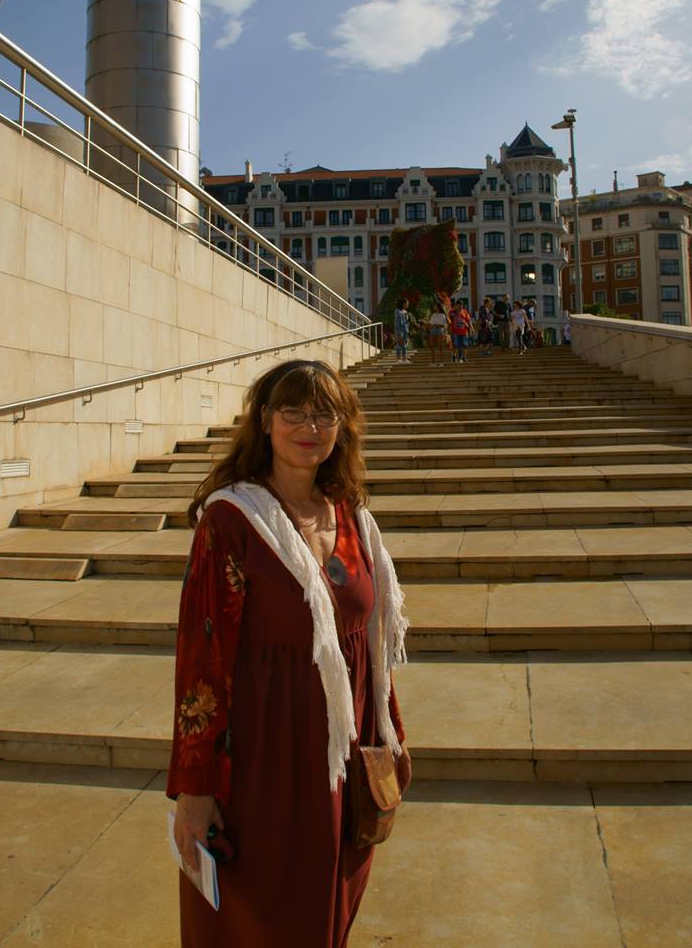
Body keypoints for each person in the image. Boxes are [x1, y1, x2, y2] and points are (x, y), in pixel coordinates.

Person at [168, 359, 411, 948]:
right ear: (265, 422)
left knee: (330, 908)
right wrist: (196, 790)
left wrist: (389, 735)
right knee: (263, 917)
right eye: (293, 411)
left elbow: (368, 647)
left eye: (324, 413)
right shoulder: (232, 521)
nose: (309, 426)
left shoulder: (352, 517)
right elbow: (201, 661)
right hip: (262, 761)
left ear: (342, 427)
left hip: (342, 758)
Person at [426, 299, 448, 366]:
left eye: (435, 306)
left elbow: (444, 325)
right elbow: (430, 323)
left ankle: (441, 362)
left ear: (438, 306)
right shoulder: (433, 315)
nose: (434, 307)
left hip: (439, 330)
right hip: (433, 330)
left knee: (440, 346)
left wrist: (436, 325)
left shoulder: (442, 315)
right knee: (432, 346)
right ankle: (433, 362)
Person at [393, 297, 413, 363]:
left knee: (404, 344)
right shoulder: (397, 311)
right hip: (399, 330)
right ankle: (398, 359)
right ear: (403, 304)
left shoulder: (406, 312)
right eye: (406, 304)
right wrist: (398, 333)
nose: (407, 305)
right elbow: (397, 322)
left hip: (405, 330)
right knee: (399, 344)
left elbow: (407, 322)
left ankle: (404, 359)